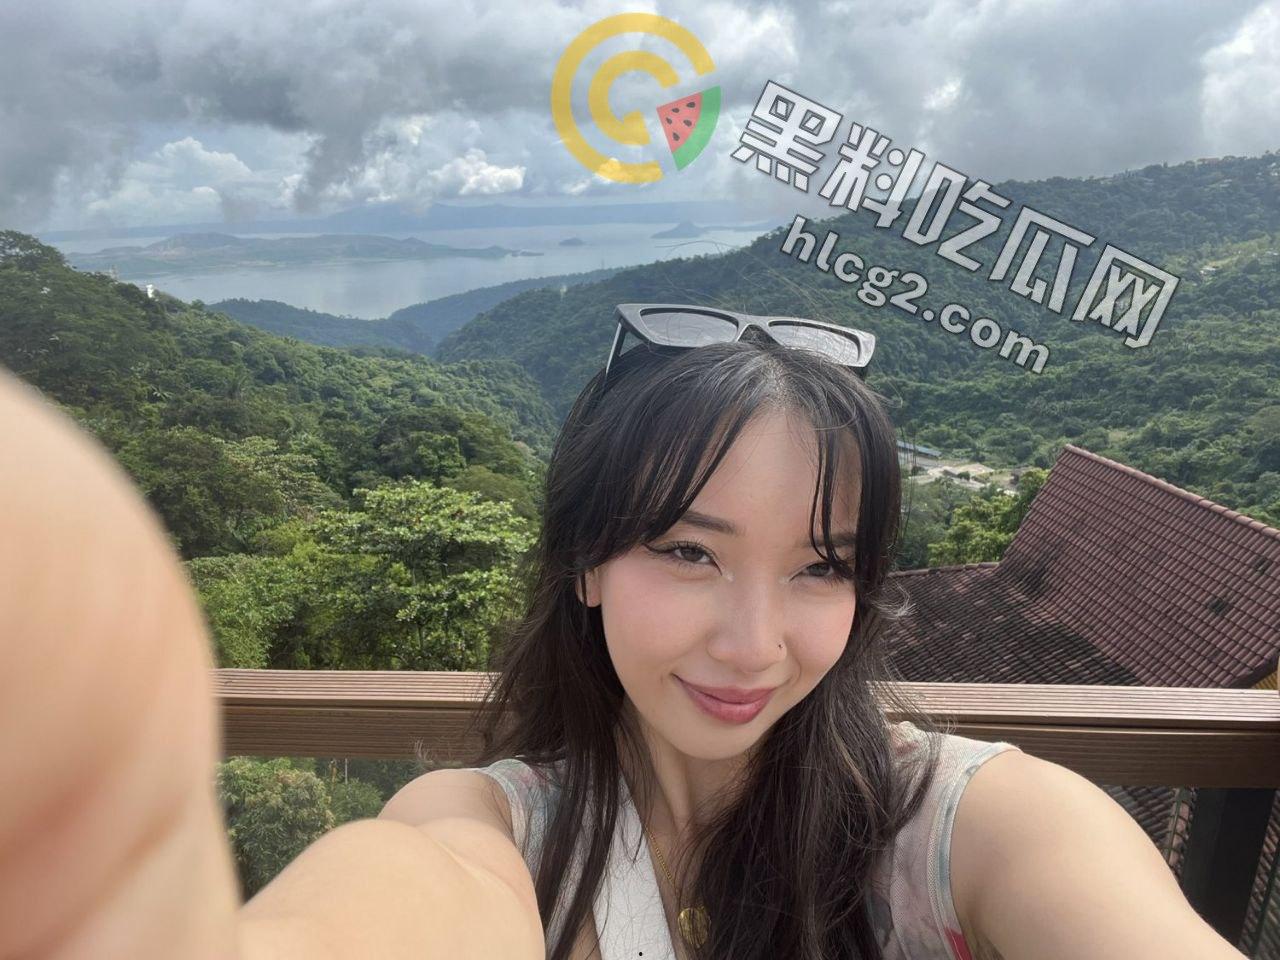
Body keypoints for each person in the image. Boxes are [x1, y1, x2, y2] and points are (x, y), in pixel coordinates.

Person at [0, 305, 1243, 960]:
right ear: (585, 561)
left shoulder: (968, 826)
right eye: (688, 553)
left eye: (819, 568)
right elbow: (396, 903)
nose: (751, 643)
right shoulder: (493, 834)